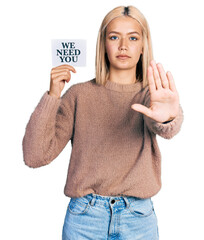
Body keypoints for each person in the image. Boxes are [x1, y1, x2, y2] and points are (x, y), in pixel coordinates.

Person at [22, 5, 184, 240]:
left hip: (137, 219)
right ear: (103, 44)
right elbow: (35, 156)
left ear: (142, 46)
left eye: (133, 37)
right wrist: (53, 95)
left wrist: (168, 117)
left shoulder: (150, 95)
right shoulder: (79, 95)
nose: (123, 46)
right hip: (84, 219)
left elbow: (166, 125)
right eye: (114, 36)